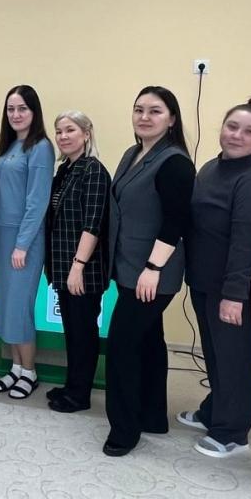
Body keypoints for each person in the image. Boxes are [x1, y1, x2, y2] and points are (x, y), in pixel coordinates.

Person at [180, 98, 251, 457]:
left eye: (250, 131)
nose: (237, 135)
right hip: (204, 282)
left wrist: (234, 295)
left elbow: (246, 243)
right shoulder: (213, 167)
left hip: (234, 291)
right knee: (215, 354)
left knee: (234, 360)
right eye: (232, 126)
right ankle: (214, 412)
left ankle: (233, 433)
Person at [103, 86, 196, 457]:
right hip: (129, 266)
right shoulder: (133, 154)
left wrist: (154, 268)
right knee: (148, 341)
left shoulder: (174, 163)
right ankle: (153, 416)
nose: (144, 116)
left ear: (171, 119)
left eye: (155, 111)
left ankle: (124, 430)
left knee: (121, 346)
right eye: (139, 109)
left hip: (153, 272)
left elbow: (176, 220)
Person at [0, 85, 55, 400]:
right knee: (4, 306)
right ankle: (16, 367)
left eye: (22, 108)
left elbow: (37, 201)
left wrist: (23, 244)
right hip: (2, 236)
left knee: (19, 308)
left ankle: (30, 371)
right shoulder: (9, 145)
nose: (15, 114)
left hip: (23, 240)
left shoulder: (41, 147)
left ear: (34, 111)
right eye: (11, 109)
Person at [44, 111, 111, 414]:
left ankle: (80, 395)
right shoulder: (65, 170)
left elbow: (92, 224)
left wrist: (78, 266)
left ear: (86, 133)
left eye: (70, 130)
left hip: (84, 270)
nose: (63, 136)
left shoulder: (93, 170)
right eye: (59, 131)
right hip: (63, 267)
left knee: (83, 334)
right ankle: (72, 385)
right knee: (72, 332)